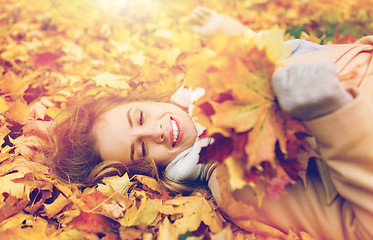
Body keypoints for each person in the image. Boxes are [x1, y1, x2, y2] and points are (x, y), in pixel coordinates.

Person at [50, 7, 373, 239]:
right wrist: (333, 117)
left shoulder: (218, 82)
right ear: (151, 174)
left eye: (140, 117)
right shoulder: (235, 182)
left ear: (149, 99)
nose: (156, 131)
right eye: (142, 148)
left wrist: (244, 45)